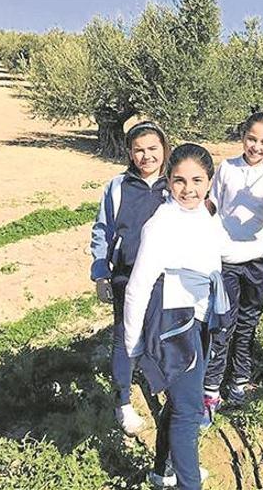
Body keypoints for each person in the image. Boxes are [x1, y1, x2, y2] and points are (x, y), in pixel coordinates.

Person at [123, 143, 229, 489]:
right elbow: (137, 287)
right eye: (179, 180)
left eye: (197, 180)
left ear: (209, 182)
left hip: (200, 318)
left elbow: (223, 250)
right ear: (168, 181)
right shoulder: (161, 224)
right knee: (188, 410)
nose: (188, 189)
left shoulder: (208, 215)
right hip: (174, 324)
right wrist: (133, 344)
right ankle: (188, 483)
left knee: (181, 401)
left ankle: (162, 471)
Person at [200, 112, 263, 428]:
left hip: (258, 260)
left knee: (247, 321)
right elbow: (213, 204)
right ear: (243, 137)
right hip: (226, 258)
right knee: (223, 321)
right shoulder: (227, 168)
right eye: (252, 139)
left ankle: (238, 379)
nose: (256, 146)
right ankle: (211, 389)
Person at [89, 121, 171, 435]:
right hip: (127, 275)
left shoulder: (174, 184)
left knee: (162, 335)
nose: (146, 156)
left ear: (164, 148)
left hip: (166, 277)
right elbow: (103, 230)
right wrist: (101, 273)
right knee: (125, 337)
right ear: (129, 153)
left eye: (152, 148)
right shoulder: (117, 186)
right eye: (139, 150)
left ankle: (162, 389)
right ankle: (123, 400)